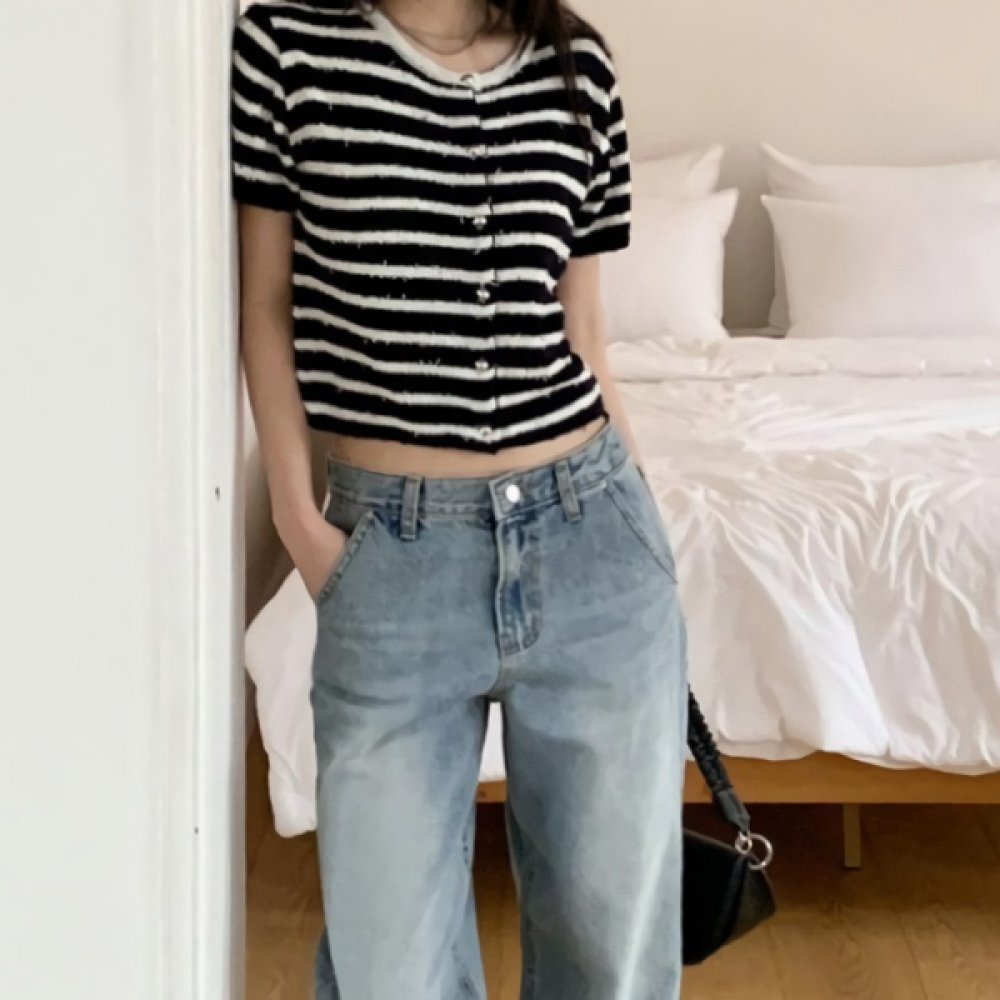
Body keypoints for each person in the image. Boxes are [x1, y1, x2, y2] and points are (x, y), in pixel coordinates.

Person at [232, 0, 688, 996]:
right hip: (390, 557)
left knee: (608, 953)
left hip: (593, 536)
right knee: (387, 961)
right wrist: (298, 520)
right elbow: (264, 302)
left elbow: (583, 327)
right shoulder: (288, 47)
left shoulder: (577, 66)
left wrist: (643, 523)